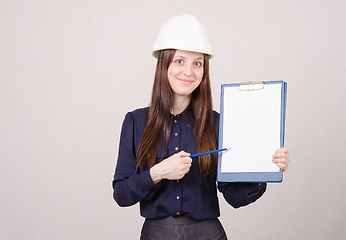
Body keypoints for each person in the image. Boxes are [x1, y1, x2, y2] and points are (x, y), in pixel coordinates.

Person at [112, 13, 290, 240]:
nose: (189, 71)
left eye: (197, 63)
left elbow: (234, 197)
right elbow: (122, 195)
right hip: (156, 234)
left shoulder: (217, 124)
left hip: (208, 234)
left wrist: (264, 167)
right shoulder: (136, 122)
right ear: (163, 64)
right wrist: (157, 173)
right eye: (179, 61)